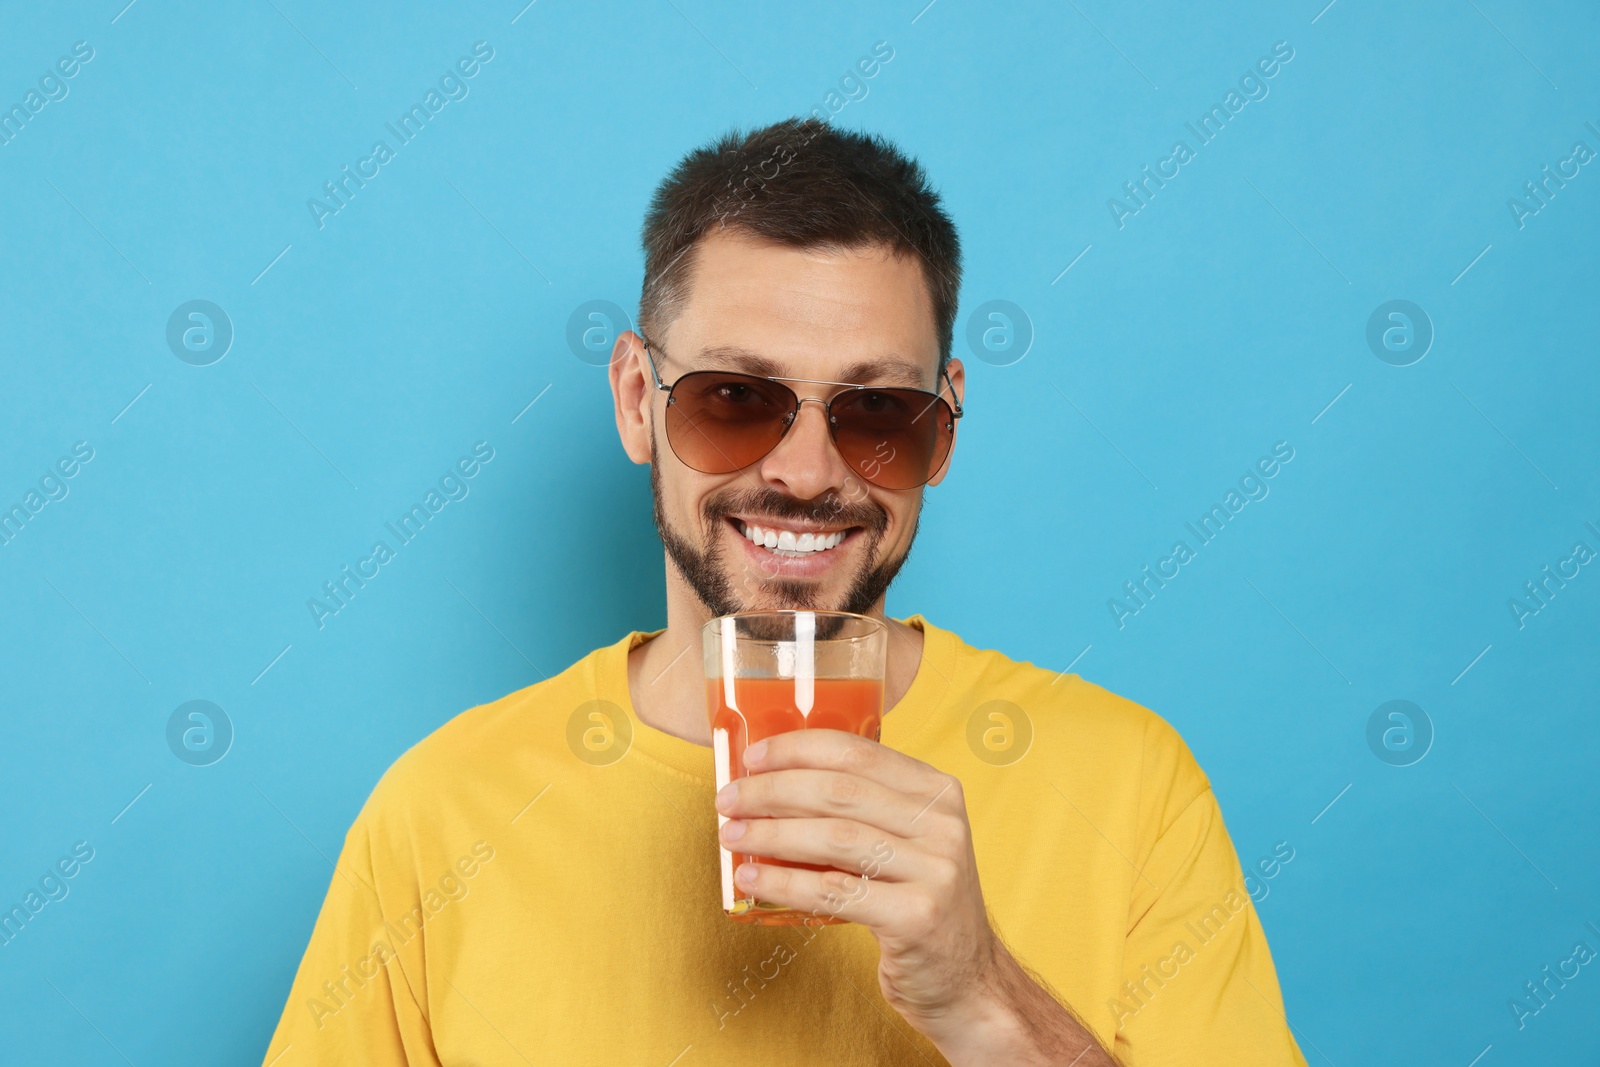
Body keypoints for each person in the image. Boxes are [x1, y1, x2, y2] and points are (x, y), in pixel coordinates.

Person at [263, 116, 1307, 1066]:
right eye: (733, 397)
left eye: (876, 409)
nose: (806, 472)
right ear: (637, 399)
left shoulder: (1129, 786)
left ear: (941, 426)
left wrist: (983, 995)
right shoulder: (441, 813)